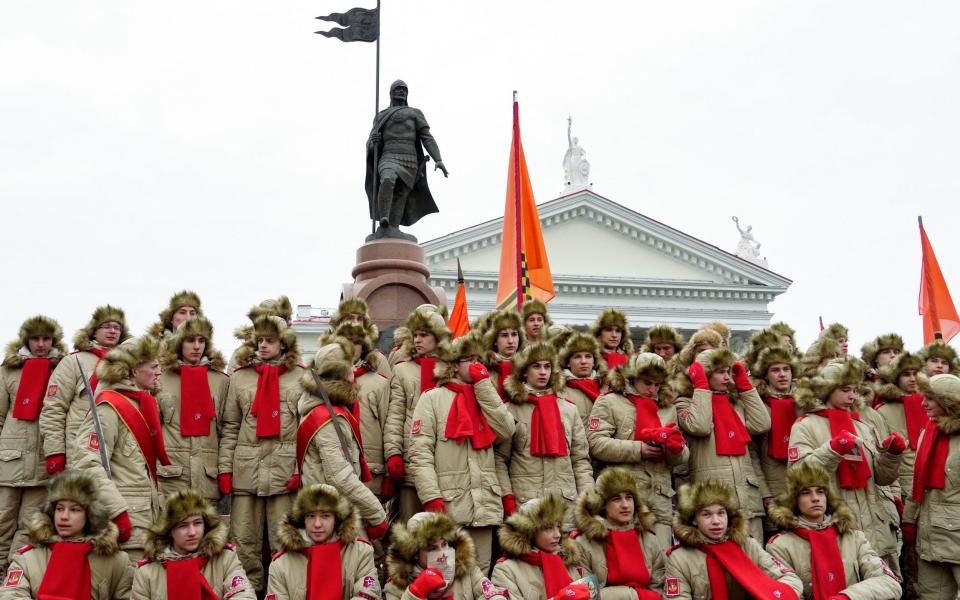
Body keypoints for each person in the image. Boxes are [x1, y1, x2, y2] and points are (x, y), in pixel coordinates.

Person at [408, 331, 516, 572]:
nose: (477, 365)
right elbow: (420, 454)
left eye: (480, 360)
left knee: (480, 573)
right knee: (445, 575)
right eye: (470, 360)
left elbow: (507, 429)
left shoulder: (486, 397)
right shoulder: (432, 399)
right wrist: (431, 497)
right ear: (455, 366)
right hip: (448, 505)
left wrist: (484, 387)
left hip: (484, 507)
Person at [788, 357, 905, 577]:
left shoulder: (862, 425)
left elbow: (882, 478)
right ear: (827, 390)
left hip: (875, 528)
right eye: (845, 390)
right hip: (836, 526)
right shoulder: (805, 426)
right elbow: (798, 475)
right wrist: (833, 449)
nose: (852, 396)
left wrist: (892, 455)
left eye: (855, 390)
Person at [219, 315, 305, 593]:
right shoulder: (240, 377)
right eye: (260, 341)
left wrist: (298, 469)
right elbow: (230, 426)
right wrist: (225, 470)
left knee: (284, 542)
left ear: (283, 343)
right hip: (246, 471)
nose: (264, 346)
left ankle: (282, 593)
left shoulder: (301, 376)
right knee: (244, 542)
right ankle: (247, 593)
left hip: (283, 474)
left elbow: (306, 429)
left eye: (270, 341)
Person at [72, 336, 167, 561]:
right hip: (127, 523)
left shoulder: (141, 402)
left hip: (146, 521)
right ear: (133, 370)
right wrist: (116, 512)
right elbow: (86, 463)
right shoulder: (109, 407)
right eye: (153, 366)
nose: (160, 372)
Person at [587, 352, 687, 545]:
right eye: (647, 383)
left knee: (661, 560)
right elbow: (596, 443)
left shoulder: (668, 408)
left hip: (660, 497)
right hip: (624, 496)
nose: (653, 389)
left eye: (657, 384)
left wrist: (676, 450)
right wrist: (638, 449)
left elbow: (680, 455)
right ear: (632, 378)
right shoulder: (609, 401)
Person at [675, 347, 771, 541]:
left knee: (754, 561)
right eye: (721, 372)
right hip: (714, 505)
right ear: (704, 374)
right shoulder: (684, 403)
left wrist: (744, 385)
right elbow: (699, 426)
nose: (727, 377)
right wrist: (701, 387)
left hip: (748, 499)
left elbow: (762, 424)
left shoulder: (736, 404)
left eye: (729, 372)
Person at [766, 464, 901, 600]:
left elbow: (889, 582)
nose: (815, 498)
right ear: (794, 500)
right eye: (805, 493)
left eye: (820, 491)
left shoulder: (853, 536)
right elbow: (785, 594)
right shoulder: (780, 545)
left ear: (827, 497)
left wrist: (847, 597)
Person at [297, 339, 387, 541]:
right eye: (350, 368)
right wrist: (376, 514)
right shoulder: (327, 418)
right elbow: (340, 477)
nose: (354, 373)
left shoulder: (325, 408)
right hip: (334, 522)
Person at [497, 342, 594, 530]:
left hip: (565, 508)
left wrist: (587, 501)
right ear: (524, 371)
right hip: (526, 506)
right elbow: (500, 459)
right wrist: (508, 498)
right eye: (536, 366)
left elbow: (580, 460)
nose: (543, 372)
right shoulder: (510, 410)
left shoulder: (569, 409)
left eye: (547, 366)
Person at [1, 470, 133, 598]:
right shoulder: (27, 558)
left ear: (90, 515)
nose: (64, 516)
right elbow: (11, 594)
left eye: (74, 509)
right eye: (59, 508)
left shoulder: (116, 561)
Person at [0, 316, 66, 571]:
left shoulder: (61, 369)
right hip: (9, 460)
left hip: (42, 460)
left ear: (53, 341)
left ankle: (14, 575)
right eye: (35, 339)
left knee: (30, 524)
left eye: (46, 339)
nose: (40, 344)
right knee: (3, 520)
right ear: (26, 340)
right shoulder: (8, 369)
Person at [664, 480, 803, 600]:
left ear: (728, 515)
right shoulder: (679, 558)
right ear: (694, 520)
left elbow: (789, 578)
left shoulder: (747, 545)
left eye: (721, 513)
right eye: (706, 514)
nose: (716, 521)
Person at [385, 305, 451, 524]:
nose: (417, 340)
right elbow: (394, 415)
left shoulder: (451, 369)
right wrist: (393, 453)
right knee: (411, 526)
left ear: (438, 337)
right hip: (411, 458)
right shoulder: (402, 370)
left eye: (424, 335)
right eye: (415, 335)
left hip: (445, 462)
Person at [40, 305, 130, 467]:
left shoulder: (132, 363)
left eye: (117, 327)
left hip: (121, 451)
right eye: (106, 326)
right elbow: (54, 408)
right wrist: (55, 452)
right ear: (94, 331)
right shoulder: (73, 361)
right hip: (79, 446)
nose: (112, 331)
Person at [155, 316, 229, 502]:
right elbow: (150, 430)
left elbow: (227, 430)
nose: (197, 346)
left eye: (201, 341)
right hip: (170, 478)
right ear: (179, 343)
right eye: (190, 340)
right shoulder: (160, 379)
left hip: (207, 477)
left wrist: (225, 470)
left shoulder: (221, 380)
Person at [266, 484, 381, 600]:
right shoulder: (281, 564)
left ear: (337, 519)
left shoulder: (361, 552)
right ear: (302, 520)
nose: (317, 524)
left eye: (325, 516)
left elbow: (368, 594)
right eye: (311, 516)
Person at [131, 489, 253, 599]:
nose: (192, 532)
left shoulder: (225, 558)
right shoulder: (147, 571)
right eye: (183, 526)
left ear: (206, 524)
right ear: (169, 531)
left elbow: (244, 595)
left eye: (197, 523)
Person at [902, 374, 960, 600]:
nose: (923, 403)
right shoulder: (929, 431)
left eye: (930, 398)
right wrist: (909, 519)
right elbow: (919, 481)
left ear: (948, 402)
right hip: (928, 536)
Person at [365, 79, 448, 235]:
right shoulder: (381, 115)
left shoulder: (415, 113)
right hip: (389, 154)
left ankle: (393, 229)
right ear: (391, 93)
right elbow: (373, 141)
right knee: (387, 179)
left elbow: (426, 137)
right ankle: (384, 218)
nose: (401, 91)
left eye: (404, 89)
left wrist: (438, 159)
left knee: (401, 194)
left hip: (409, 158)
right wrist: (373, 142)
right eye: (398, 89)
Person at [571, 467, 665, 599]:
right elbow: (584, 594)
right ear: (603, 504)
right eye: (616, 499)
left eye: (629, 497)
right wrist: (634, 596)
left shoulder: (649, 539)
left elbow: (659, 588)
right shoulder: (584, 542)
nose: (625, 505)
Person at [385, 511, 509, 600]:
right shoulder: (396, 585)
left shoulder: (467, 570)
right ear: (415, 553)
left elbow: (491, 595)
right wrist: (416, 592)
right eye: (432, 548)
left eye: (444, 544)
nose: (442, 553)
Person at [492, 494, 592, 600]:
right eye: (548, 528)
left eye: (558, 527)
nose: (557, 534)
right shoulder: (506, 570)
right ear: (529, 531)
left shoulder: (567, 561)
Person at [749, 344, 800, 506]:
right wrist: (764, 492)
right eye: (775, 370)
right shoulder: (759, 405)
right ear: (765, 375)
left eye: (786, 369)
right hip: (773, 487)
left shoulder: (805, 403)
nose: (782, 374)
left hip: (804, 483)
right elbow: (752, 454)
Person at [328, 297, 391, 378]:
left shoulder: (378, 359)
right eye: (350, 318)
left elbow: (387, 389)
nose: (355, 323)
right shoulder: (328, 354)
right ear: (340, 322)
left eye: (359, 319)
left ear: (364, 324)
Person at [558, 332, 607, 428]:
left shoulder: (606, 387)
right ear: (568, 362)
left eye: (588, 356)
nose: (583, 361)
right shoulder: (559, 390)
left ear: (594, 361)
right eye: (577, 357)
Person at [483, 309, 525, 400]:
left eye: (514, 334)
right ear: (494, 341)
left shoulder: (528, 367)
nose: (510, 341)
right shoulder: (485, 369)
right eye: (504, 335)